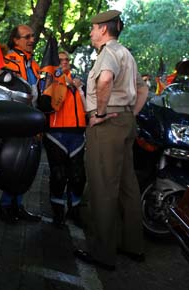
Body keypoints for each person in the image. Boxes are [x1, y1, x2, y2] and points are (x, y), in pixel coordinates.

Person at [73, 10, 149, 271]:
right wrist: (131, 113)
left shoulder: (108, 53)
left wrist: (101, 113)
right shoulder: (126, 53)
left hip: (107, 124)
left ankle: (103, 253)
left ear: (103, 29)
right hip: (125, 121)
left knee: (103, 186)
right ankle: (133, 245)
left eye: (93, 29)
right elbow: (143, 88)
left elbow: (105, 80)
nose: (91, 33)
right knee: (128, 185)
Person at [0, 24, 42, 223]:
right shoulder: (7, 61)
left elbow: (37, 93)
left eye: (32, 36)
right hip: (14, 120)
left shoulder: (34, 64)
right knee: (13, 163)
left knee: (26, 163)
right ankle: (6, 206)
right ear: (15, 40)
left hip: (31, 120)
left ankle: (18, 205)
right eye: (26, 37)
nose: (32, 40)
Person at [42, 50, 87, 227]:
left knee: (78, 177)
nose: (65, 62)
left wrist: (78, 88)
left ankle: (75, 210)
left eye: (67, 59)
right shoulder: (49, 80)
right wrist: (61, 82)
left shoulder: (78, 82)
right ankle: (58, 212)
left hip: (77, 134)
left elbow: (88, 106)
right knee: (59, 176)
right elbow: (44, 104)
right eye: (61, 60)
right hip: (55, 134)